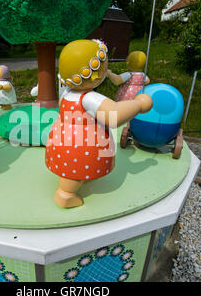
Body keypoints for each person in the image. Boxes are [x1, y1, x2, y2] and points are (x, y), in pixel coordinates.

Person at [45, 39, 153, 208]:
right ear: (98, 71)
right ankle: (66, 194)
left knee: (71, 164)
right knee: (75, 165)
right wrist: (138, 104)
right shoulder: (89, 98)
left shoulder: (66, 93)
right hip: (82, 143)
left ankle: (77, 178)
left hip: (62, 136)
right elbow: (114, 115)